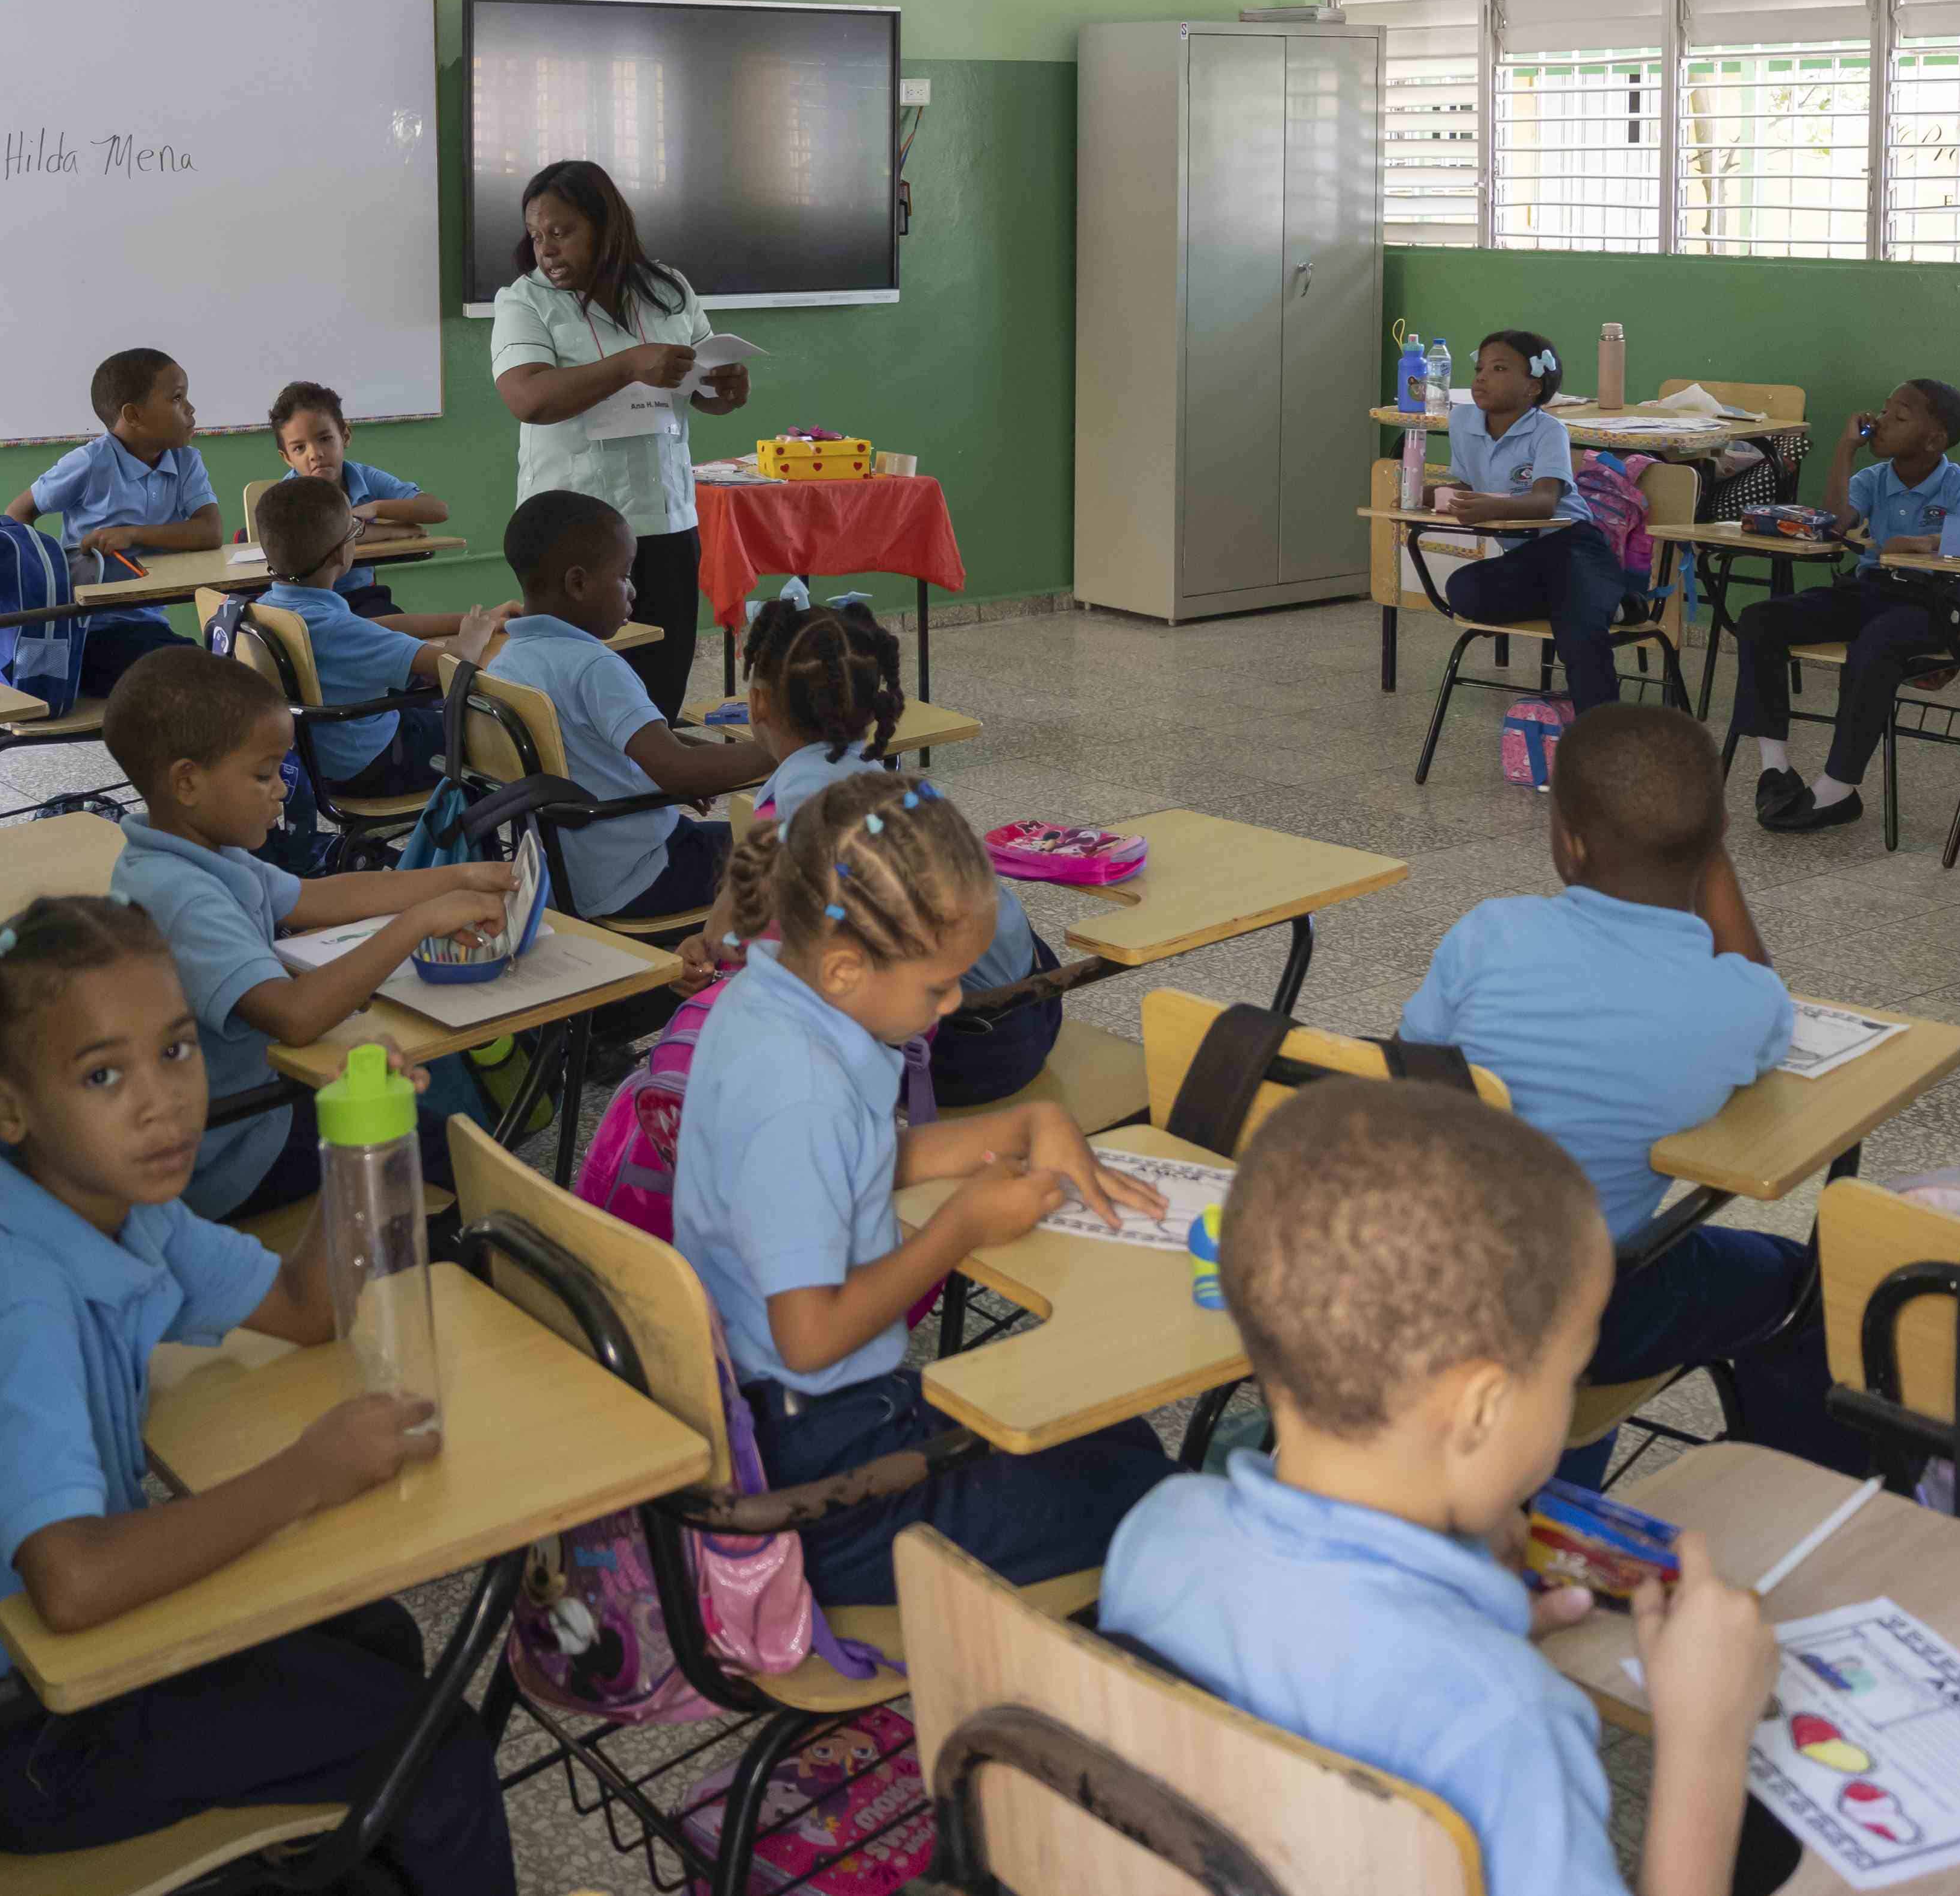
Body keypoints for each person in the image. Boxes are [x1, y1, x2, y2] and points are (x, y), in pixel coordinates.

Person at [0, 896, 515, 1890]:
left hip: (50, 1674)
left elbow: (306, 1303)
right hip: (14, 1735)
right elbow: (73, 1580)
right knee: (442, 1748)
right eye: (102, 1072)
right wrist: (308, 1468)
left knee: (379, 1635)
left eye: (176, 1050)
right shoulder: (18, 1301)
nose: (162, 1100)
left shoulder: (115, 1201)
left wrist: (356, 1130)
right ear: (5, 1105)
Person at [1103, 1082, 1788, 1896]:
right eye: (1571, 1372)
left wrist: (1465, 1629)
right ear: (1481, 1408)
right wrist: (1706, 1738)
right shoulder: (1504, 1718)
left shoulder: (1155, 1532)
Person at [672, 771, 1177, 1605]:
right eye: (938, 985)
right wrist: (961, 1227)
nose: (950, 1008)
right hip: (821, 1487)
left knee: (1109, 1432)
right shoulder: (798, 1087)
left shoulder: (773, 999)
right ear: (843, 966)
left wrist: (1016, 1129)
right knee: (1143, 1493)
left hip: (803, 1425)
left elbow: (854, 1161)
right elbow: (809, 1334)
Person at [1397, 705, 1853, 1490]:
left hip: (1433, 1284)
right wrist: (1709, 862)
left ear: (1569, 839)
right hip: (1590, 1304)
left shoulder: (1488, 933)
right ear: (1713, 845)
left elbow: (1415, 1065)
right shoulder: (1732, 1004)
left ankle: (1546, 1480)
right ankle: (1811, 1505)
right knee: (1798, 1282)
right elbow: (1767, 996)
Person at [97, 647, 510, 1220]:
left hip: (245, 1106)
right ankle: (452, 1270)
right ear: (187, 782)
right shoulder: (182, 894)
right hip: (231, 1146)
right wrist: (418, 922)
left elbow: (318, 897)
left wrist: (460, 876)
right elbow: (294, 1016)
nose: (283, 790)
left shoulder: (201, 853)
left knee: (421, 1101)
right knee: (461, 1154)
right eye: (263, 774)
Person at [693, 588, 1062, 1104]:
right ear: (870, 715)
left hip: (958, 1055)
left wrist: (716, 946)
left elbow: (767, 964)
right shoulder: (889, 785)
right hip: (1039, 1008)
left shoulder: (792, 815)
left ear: (755, 704)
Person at [488, 159, 754, 716]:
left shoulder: (669, 291)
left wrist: (723, 389)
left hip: (665, 522)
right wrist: (630, 364)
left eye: (562, 232)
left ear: (606, 225)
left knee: (659, 688)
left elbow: (701, 382)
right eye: (537, 236)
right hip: (573, 538)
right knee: (578, 703)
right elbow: (529, 398)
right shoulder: (524, 301)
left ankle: (648, 797)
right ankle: (586, 803)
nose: (547, 250)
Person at [476, 490, 769, 924]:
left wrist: (691, 760)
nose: (634, 590)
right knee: (795, 851)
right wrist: (782, 746)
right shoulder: (595, 666)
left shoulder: (508, 660)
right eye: (624, 575)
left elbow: (611, 743)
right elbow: (676, 770)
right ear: (578, 584)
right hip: (640, 873)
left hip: (560, 874)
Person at [1736, 379, 1960, 834]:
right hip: (1872, 590)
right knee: (1761, 620)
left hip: (1933, 605)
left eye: (1900, 415)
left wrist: (1928, 542)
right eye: (1885, 410)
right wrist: (1846, 450)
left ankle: (1838, 788)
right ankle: (1775, 766)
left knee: (1875, 644)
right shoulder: (1875, 477)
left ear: (1934, 439)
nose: (1883, 420)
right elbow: (1832, 524)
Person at [250, 474, 509, 799]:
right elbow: (453, 667)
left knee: (435, 716)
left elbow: (380, 626)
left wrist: (473, 619)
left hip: (317, 759)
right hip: (375, 765)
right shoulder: (335, 629)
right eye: (354, 531)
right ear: (339, 555)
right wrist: (476, 635)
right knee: (499, 734)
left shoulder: (270, 608)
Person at [1432, 330, 1637, 713]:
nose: (1480, 377)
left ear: (1533, 387)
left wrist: (1491, 508)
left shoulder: (1548, 431)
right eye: (1479, 368)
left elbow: (1545, 502)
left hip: (1572, 544)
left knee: (1579, 635)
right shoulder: (1463, 422)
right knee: (1464, 590)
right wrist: (1425, 495)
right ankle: (1610, 601)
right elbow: (1465, 483)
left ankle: (1603, 738)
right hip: (1526, 556)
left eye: (1498, 369)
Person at [4, 347, 219, 698]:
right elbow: (17, 513)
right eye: (177, 398)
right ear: (133, 415)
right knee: (198, 677)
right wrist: (46, 579)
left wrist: (131, 534)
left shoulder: (186, 462)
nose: (191, 409)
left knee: (212, 670)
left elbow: (210, 531)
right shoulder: (89, 462)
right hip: (89, 632)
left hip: (145, 622)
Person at [269, 380, 449, 620]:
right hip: (308, 604)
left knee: (397, 631)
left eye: (325, 439)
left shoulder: (363, 477)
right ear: (287, 458)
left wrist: (376, 508)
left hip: (361, 597)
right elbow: (328, 538)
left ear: (345, 436)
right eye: (300, 448)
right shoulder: (289, 495)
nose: (316, 454)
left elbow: (437, 510)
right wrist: (392, 531)